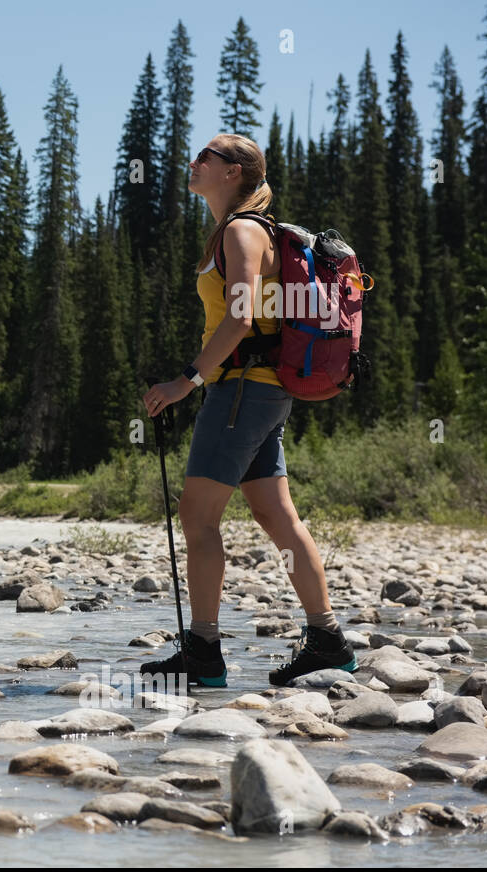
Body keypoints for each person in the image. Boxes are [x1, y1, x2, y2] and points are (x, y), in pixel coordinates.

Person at [139, 133, 357, 688]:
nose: (195, 161)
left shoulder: (240, 230)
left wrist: (186, 381)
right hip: (258, 388)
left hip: (240, 389)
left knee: (198, 514)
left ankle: (205, 652)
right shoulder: (243, 230)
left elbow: (238, 318)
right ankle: (327, 641)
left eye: (206, 156)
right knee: (275, 515)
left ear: (233, 172)